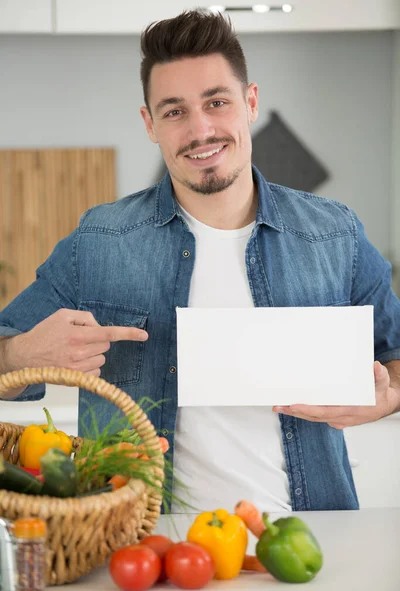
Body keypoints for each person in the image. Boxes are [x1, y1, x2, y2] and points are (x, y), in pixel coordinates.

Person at [0, 10, 399, 513]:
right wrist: (20, 355)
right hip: (143, 553)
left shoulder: (333, 232)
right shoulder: (98, 241)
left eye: (217, 102)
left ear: (250, 102)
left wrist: (387, 398)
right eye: (174, 111)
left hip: (309, 542)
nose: (200, 129)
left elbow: (395, 354)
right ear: (150, 124)